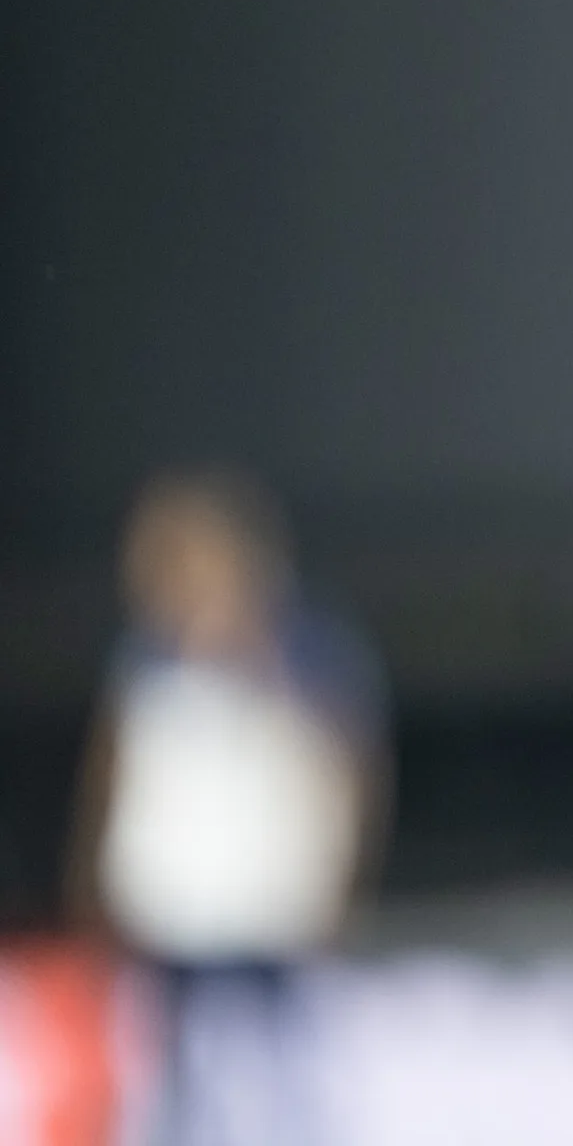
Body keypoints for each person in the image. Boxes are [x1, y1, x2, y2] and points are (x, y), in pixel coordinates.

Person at [66, 468, 387, 1146]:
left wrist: (340, 884)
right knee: (174, 1079)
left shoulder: (309, 657)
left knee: (281, 1079)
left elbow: (350, 775)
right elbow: (116, 779)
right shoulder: (145, 662)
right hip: (172, 913)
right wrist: (99, 879)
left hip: (270, 912)